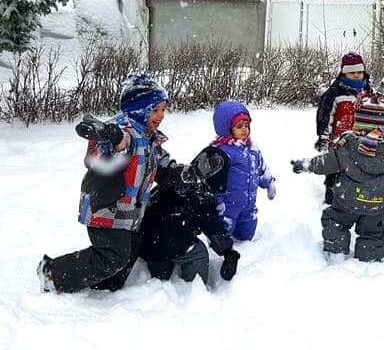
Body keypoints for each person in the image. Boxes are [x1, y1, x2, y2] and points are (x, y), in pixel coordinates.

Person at [36, 72, 183, 293]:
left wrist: (180, 173)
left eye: (163, 108)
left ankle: (107, 284)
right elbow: (102, 156)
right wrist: (113, 139)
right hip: (107, 208)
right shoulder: (123, 131)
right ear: (138, 109)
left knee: (129, 250)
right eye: (155, 109)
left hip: (130, 212)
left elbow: (160, 163)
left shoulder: (148, 135)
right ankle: (53, 273)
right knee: (112, 256)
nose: (161, 114)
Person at [291, 96, 384, 262]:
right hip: (376, 205)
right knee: (372, 232)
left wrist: (305, 165)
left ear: (357, 124)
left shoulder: (347, 147)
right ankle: (369, 258)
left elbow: (325, 163)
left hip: (346, 202)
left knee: (335, 221)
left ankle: (336, 251)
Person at [138, 148, 241, 284]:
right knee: (198, 253)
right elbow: (214, 230)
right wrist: (229, 252)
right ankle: (191, 287)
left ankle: (160, 276)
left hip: (145, 240)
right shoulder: (202, 197)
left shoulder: (175, 178)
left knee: (161, 254)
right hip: (169, 243)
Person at [210, 100, 276, 241]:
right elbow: (215, 180)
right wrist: (217, 201)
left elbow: (261, 167)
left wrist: (269, 182)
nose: (244, 129)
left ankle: (245, 246)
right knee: (223, 233)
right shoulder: (221, 152)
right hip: (227, 206)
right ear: (227, 128)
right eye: (239, 126)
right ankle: (222, 249)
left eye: (247, 125)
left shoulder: (252, 148)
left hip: (249, 204)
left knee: (246, 234)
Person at [315, 52, 373, 204]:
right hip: (338, 141)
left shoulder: (367, 93)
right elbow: (325, 117)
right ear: (344, 72)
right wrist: (323, 137)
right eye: (351, 72)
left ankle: (356, 194)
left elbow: (374, 116)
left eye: (359, 72)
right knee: (335, 167)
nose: (356, 75)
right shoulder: (335, 93)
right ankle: (332, 192)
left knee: (359, 168)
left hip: (362, 140)